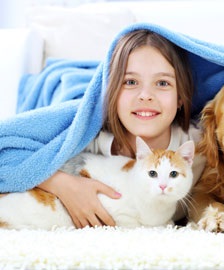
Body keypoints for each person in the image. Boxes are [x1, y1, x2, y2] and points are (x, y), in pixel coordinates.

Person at [37, 29, 205, 228]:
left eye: (162, 82)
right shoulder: (88, 136)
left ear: (180, 97)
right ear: (113, 92)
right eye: (131, 82)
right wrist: (62, 184)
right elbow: (14, 159)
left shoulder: (199, 146)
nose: (145, 95)